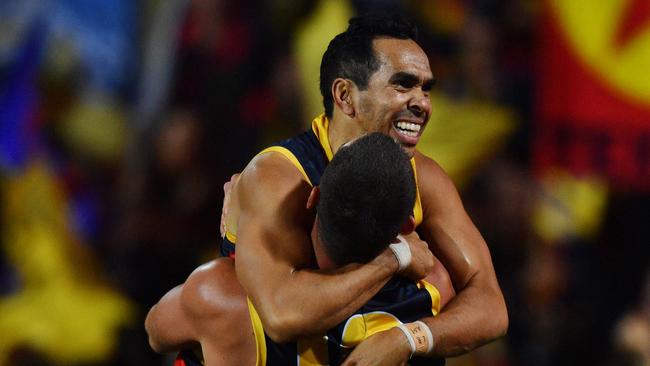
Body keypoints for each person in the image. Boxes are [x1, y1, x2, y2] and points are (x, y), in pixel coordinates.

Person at [148, 14, 507, 365]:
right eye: (403, 84)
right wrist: (394, 259)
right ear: (345, 96)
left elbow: (490, 306)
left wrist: (410, 338)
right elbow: (282, 315)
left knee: (440, 287)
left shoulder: (424, 177)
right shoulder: (280, 177)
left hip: (349, 339)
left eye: (425, 87)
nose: (423, 103)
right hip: (268, 348)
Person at [147, 133, 448, 365]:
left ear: (313, 198)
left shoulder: (220, 295)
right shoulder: (432, 293)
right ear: (408, 225)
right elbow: (485, 316)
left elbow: (156, 331)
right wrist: (396, 260)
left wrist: (237, 244)